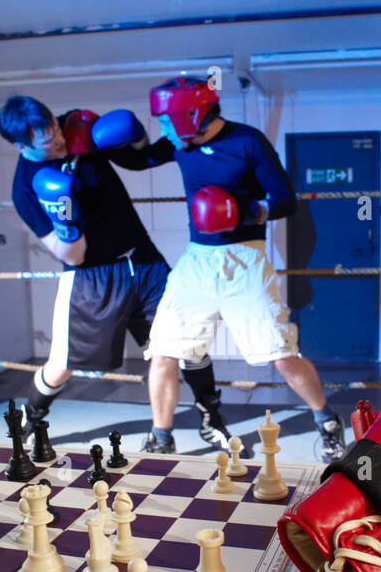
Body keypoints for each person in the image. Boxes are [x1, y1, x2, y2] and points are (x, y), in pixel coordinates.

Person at [94, 77, 347, 463]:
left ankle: (327, 421)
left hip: (245, 260)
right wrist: (127, 139)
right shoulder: (180, 143)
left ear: (188, 116)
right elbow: (136, 161)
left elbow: (284, 200)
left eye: (165, 121)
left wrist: (242, 212)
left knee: (281, 355)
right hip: (197, 261)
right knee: (162, 350)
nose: (162, 128)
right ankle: (161, 438)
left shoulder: (247, 141)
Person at [0, 96, 231, 451]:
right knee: (61, 364)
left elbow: (142, 159)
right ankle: (32, 418)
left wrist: (135, 136)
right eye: (48, 141)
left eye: (57, 128)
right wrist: (66, 220)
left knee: (188, 341)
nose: (60, 140)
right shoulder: (26, 189)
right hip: (92, 276)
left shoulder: (78, 124)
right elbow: (71, 256)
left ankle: (209, 418)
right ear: (21, 145)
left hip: (144, 260)